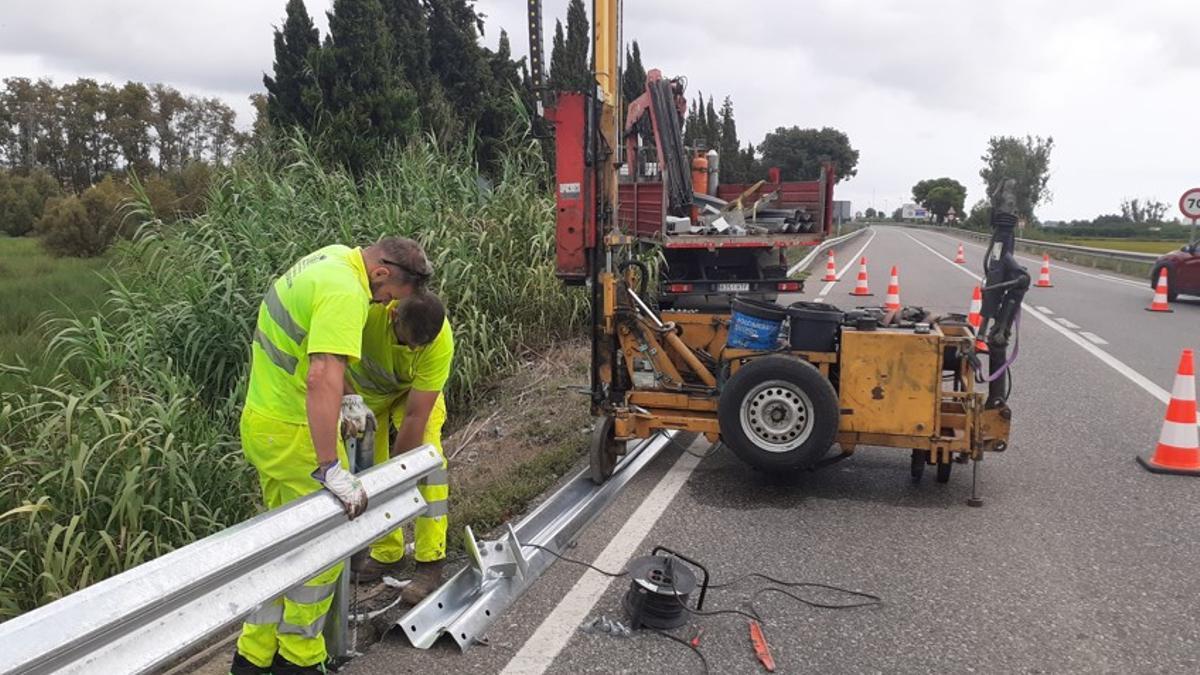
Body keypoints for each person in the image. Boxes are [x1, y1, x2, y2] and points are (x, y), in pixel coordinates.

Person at [231, 237, 433, 675]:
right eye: (387, 296)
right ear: (381, 273)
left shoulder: (330, 257)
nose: (383, 305)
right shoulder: (346, 292)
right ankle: (300, 662)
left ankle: (253, 658)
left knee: (282, 544)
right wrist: (329, 466)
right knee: (320, 551)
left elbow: (312, 358)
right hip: (294, 433)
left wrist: (350, 398)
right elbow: (321, 373)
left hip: (263, 420)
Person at [347, 289, 454, 605]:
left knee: (429, 465)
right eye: (408, 341)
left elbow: (416, 416)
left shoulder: (440, 340)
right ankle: (387, 551)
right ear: (394, 315)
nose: (413, 349)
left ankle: (430, 560)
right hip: (362, 399)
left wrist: (402, 478)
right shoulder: (369, 314)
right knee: (367, 472)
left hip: (412, 395)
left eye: (420, 345)